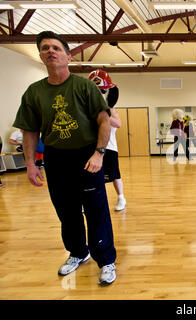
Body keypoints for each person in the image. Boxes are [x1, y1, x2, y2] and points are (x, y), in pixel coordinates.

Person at [13, 31, 117, 285]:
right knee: (66, 211)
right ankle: (78, 253)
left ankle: (106, 260)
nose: (51, 51)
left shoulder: (84, 86)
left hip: (86, 155)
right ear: (41, 55)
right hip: (56, 157)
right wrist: (30, 164)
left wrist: (99, 153)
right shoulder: (34, 92)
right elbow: (29, 129)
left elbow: (104, 120)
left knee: (96, 210)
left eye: (56, 48)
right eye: (45, 48)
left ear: (68, 56)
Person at [88, 69, 126, 211]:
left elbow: (118, 124)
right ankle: (91, 201)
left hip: (109, 148)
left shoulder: (110, 109)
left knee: (114, 175)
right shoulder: (87, 107)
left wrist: (100, 112)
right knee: (91, 174)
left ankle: (121, 197)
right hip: (91, 147)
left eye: (102, 91)